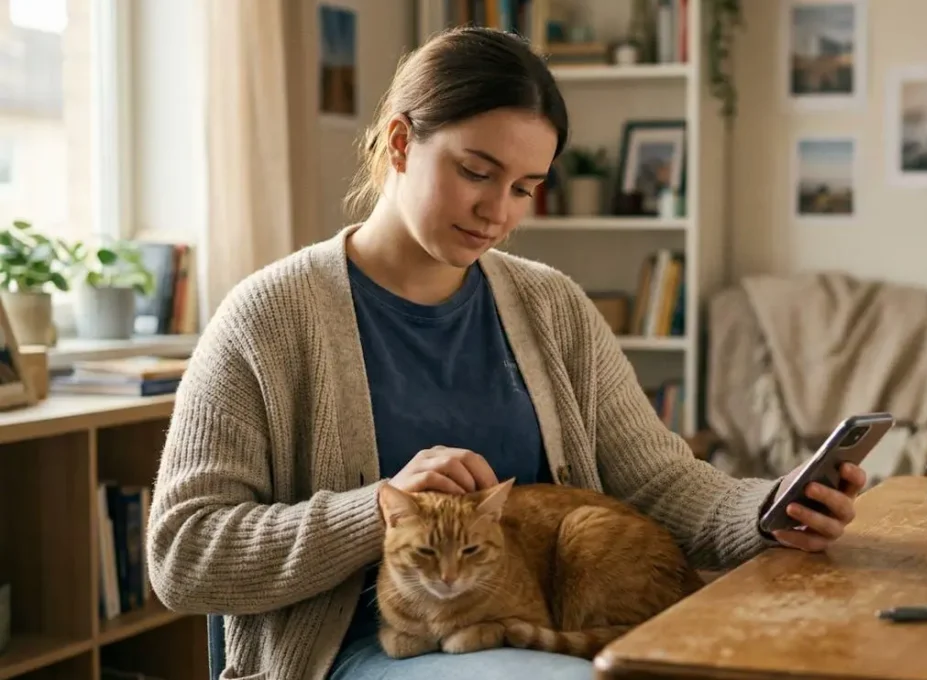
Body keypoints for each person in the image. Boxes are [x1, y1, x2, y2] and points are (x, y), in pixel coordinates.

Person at [145, 26, 867, 680]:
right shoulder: (267, 317)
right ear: (399, 143)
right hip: (356, 646)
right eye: (477, 172)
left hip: (538, 625)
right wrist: (381, 511)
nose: (500, 213)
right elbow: (182, 554)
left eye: (525, 187)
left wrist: (768, 508)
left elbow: (656, 480)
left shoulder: (550, 306)